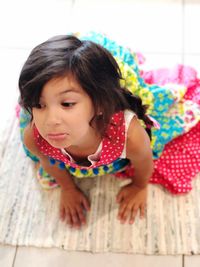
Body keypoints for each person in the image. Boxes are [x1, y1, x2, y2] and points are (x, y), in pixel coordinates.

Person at [18, 32, 200, 229]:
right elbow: (48, 161)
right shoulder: (34, 137)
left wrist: (139, 186)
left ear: (99, 105)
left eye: (67, 104)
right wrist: (68, 188)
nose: (50, 121)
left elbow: (144, 160)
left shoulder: (128, 135)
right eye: (39, 104)